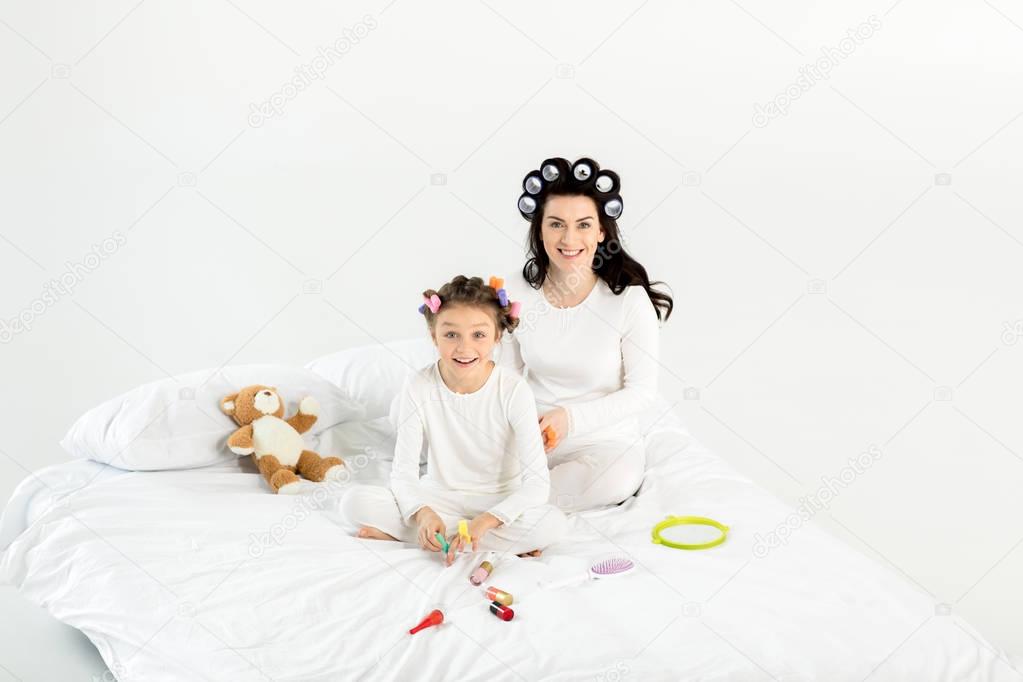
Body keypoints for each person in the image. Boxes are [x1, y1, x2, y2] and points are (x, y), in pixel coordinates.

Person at [340, 275, 567, 564]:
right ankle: (472, 540)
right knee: (354, 502)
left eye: (478, 335)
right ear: (434, 336)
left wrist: (486, 521)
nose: (464, 348)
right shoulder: (418, 385)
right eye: (451, 335)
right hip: (438, 498)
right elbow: (404, 474)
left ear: (497, 336)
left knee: (552, 523)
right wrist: (422, 513)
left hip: (496, 503)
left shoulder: (513, 389)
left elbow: (536, 484)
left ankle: (434, 537)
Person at [501, 157, 674, 513]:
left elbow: (641, 392)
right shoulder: (516, 290)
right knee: (466, 461)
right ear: (540, 229)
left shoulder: (627, 299)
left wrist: (570, 419)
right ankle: (509, 508)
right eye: (556, 224)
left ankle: (507, 513)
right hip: (531, 437)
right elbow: (506, 377)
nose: (569, 239)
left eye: (583, 225)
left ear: (601, 232)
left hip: (603, 444)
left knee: (615, 479)